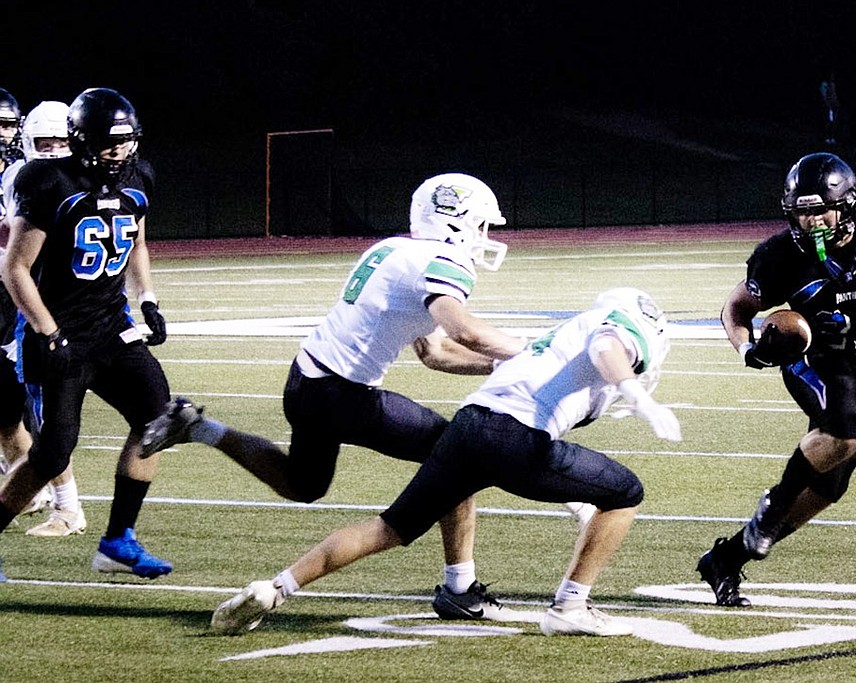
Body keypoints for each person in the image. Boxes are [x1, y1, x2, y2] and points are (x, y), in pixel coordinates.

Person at [141, 173, 527, 617]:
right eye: (480, 225)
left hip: (307, 381)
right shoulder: (442, 261)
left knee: (302, 484)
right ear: (457, 222)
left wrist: (501, 364)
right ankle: (460, 588)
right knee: (457, 454)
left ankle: (200, 427)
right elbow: (464, 331)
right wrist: (536, 352)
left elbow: (435, 351)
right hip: (343, 394)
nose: (484, 236)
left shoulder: (393, 249)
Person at [206, 287, 681, 637]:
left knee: (389, 527)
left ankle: (277, 587)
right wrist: (637, 395)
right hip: (514, 438)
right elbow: (607, 349)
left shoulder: (563, 334)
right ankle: (571, 606)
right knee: (624, 492)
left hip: (469, 424)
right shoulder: (620, 329)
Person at [696, 152, 856, 607]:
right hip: (810, 358)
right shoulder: (778, 256)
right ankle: (772, 510)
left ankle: (726, 559)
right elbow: (735, 308)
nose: (810, 221)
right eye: (801, 211)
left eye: (819, 209)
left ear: (847, 203)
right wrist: (746, 348)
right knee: (848, 429)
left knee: (831, 484)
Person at [0, 88, 173, 580]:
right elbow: (16, 268)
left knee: (157, 418)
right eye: (107, 142)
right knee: (53, 450)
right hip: (60, 329)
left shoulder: (140, 177)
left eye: (125, 141)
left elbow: (136, 240)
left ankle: (119, 540)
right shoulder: (50, 180)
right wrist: (48, 334)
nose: (118, 152)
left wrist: (147, 299)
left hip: (110, 325)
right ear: (81, 140)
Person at [0, 100, 87, 537]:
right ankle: (27, 486)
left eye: (6, 125)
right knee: (7, 410)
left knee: (40, 410)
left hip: (31, 305)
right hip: (22, 299)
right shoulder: (19, 174)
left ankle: (68, 506)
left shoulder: (29, 176)